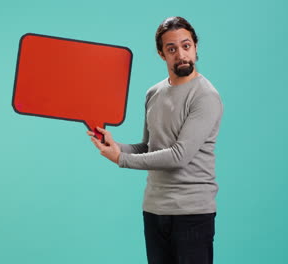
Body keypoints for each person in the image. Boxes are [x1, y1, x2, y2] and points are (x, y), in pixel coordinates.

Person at [87, 16, 223, 264]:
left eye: (186, 46)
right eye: (172, 49)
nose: (181, 54)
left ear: (195, 47)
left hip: (192, 213)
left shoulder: (206, 97)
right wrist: (116, 146)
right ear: (162, 54)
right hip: (154, 210)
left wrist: (122, 159)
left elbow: (179, 155)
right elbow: (149, 147)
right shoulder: (154, 93)